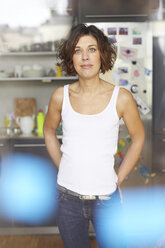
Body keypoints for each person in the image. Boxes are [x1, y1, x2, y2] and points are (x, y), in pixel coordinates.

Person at [44, 24, 145, 248]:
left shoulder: (122, 98)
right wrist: (63, 165)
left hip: (107, 201)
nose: (85, 57)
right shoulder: (61, 96)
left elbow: (138, 137)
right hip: (67, 200)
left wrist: (119, 177)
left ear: (102, 54)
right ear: (71, 57)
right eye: (78, 50)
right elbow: (48, 131)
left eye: (92, 49)